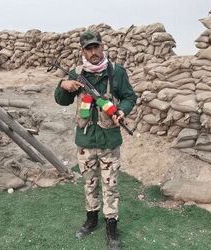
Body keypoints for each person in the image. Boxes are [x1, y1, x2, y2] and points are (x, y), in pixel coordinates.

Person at [54, 29, 137, 250]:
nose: (93, 52)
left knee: (111, 185)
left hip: (109, 140)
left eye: (96, 47)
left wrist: (123, 111)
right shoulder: (75, 73)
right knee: (89, 184)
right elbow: (62, 100)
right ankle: (91, 220)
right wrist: (63, 85)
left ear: (102, 47)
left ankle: (111, 227)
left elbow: (130, 97)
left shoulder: (117, 72)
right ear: (83, 51)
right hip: (85, 141)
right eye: (88, 48)